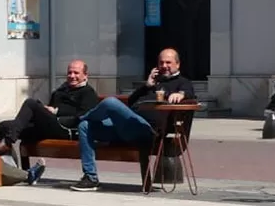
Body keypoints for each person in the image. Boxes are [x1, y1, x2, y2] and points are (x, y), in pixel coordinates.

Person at [71, 48, 197, 192]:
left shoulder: (182, 82)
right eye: (161, 63)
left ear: (178, 64)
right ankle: (90, 178)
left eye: (168, 62)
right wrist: (147, 86)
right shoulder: (154, 82)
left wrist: (181, 94)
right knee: (85, 126)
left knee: (110, 102)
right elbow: (131, 102)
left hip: (146, 130)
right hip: (127, 125)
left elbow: (189, 93)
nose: (164, 66)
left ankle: (77, 118)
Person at [0, 59, 100, 173]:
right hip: (49, 128)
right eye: (69, 72)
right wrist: (45, 111)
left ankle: (7, 142)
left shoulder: (88, 93)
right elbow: (50, 110)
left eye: (76, 73)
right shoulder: (61, 90)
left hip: (66, 129)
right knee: (4, 126)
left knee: (31, 103)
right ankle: (10, 170)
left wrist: (56, 111)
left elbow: (83, 115)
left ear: (85, 75)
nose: (72, 76)